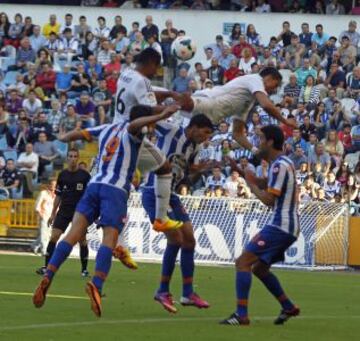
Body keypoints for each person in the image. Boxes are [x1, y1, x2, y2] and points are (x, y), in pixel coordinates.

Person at [32, 104, 180, 317]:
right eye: (150, 122)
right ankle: (97, 284)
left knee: (73, 233)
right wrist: (161, 114)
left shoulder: (105, 128)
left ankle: (50, 273)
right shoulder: (134, 130)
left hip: (94, 186)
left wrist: (64, 137)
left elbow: (78, 134)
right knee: (109, 239)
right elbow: (135, 125)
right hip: (115, 190)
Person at [221, 125, 300, 326]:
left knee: (243, 262)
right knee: (260, 270)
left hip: (280, 225)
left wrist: (251, 185)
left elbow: (268, 200)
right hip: (287, 226)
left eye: (261, 138)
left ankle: (241, 315)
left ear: (271, 141)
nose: (258, 143)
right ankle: (288, 306)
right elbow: (264, 183)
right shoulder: (282, 163)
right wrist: (243, 173)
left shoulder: (278, 165)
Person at [141, 114, 213, 313]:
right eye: (205, 133)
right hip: (154, 192)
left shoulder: (195, 147)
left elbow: (185, 170)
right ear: (194, 127)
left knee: (189, 240)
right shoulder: (172, 130)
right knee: (176, 240)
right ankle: (162, 290)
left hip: (171, 194)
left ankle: (187, 293)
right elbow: (152, 120)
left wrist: (197, 169)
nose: (206, 138)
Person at [114, 48, 184, 232]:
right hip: (131, 136)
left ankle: (117, 236)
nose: (156, 72)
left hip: (114, 133)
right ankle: (160, 219)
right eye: (156, 67)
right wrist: (173, 107)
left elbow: (149, 92)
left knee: (122, 183)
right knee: (163, 168)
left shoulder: (126, 74)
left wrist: (169, 94)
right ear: (151, 63)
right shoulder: (142, 81)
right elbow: (152, 108)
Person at [177, 67, 296, 155]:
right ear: (269, 78)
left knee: (186, 148)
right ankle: (166, 95)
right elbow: (266, 104)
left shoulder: (247, 101)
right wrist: (285, 121)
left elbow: (237, 134)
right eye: (276, 85)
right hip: (209, 101)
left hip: (206, 119)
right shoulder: (255, 79)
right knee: (178, 104)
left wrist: (255, 151)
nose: (274, 90)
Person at [36, 148, 90, 277]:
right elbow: (58, 196)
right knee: (54, 236)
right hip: (64, 211)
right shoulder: (63, 175)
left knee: (82, 240)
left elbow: (90, 195)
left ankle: (84, 270)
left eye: (75, 156)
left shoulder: (85, 175)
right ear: (67, 158)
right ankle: (46, 267)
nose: (72, 158)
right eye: (70, 156)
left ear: (78, 158)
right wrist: (53, 213)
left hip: (79, 212)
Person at [33, 179, 56, 256]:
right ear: (49, 185)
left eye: (55, 185)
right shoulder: (43, 193)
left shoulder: (57, 194)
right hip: (44, 215)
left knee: (49, 234)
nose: (54, 186)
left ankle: (34, 245)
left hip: (53, 217)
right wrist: (40, 213)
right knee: (43, 234)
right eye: (53, 185)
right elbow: (37, 205)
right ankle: (44, 250)